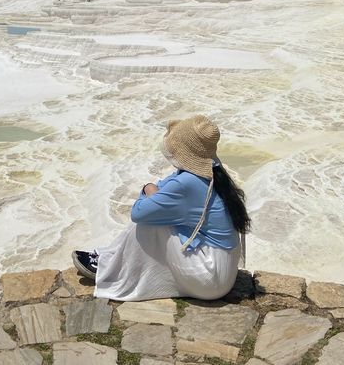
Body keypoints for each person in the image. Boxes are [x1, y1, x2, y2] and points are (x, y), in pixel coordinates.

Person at [71, 115, 250, 301]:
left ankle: (110, 268)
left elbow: (138, 213)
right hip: (224, 272)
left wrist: (147, 188)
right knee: (158, 214)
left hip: (210, 280)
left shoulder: (187, 182)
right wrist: (156, 194)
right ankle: (108, 258)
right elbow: (168, 189)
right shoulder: (214, 173)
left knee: (150, 223)